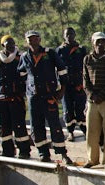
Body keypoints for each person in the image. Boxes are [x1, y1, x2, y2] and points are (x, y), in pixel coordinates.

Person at [18, 30, 73, 164]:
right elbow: (21, 73)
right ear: (27, 41)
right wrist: (29, 88)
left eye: (35, 38)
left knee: (55, 125)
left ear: (40, 39)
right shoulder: (25, 56)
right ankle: (43, 153)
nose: (33, 41)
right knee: (36, 126)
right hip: (34, 98)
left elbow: (62, 70)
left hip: (49, 95)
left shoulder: (50, 53)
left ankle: (62, 153)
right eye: (30, 39)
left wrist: (62, 90)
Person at [0, 35, 32, 159]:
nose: (11, 46)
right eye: (8, 44)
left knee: (19, 126)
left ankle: (24, 151)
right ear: (3, 45)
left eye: (13, 43)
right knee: (3, 126)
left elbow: (27, 77)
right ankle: (7, 151)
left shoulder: (20, 57)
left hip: (16, 98)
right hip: (1, 99)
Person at [83, 31, 105, 170]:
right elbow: (85, 80)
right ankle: (92, 159)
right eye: (98, 41)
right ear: (93, 42)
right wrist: (91, 95)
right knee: (91, 132)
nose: (100, 44)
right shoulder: (87, 59)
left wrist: (101, 96)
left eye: (103, 41)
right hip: (92, 102)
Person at [56, 27, 87, 141]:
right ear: (64, 36)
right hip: (66, 85)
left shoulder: (81, 49)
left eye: (71, 33)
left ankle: (85, 131)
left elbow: (86, 66)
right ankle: (71, 132)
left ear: (75, 35)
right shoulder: (59, 50)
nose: (69, 36)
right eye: (67, 34)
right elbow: (56, 68)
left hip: (79, 84)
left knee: (81, 109)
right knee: (68, 110)